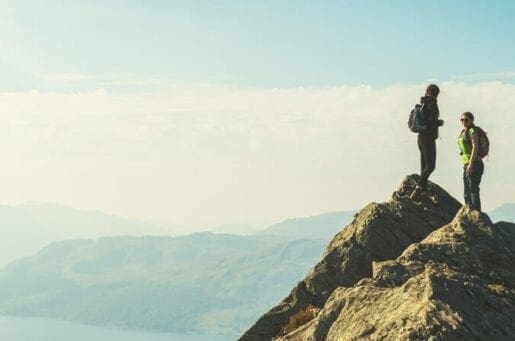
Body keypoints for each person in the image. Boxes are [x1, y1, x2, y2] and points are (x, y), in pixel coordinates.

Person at [410, 84, 444, 200]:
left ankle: (423, 191)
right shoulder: (432, 104)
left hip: (420, 137)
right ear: (436, 93)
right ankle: (419, 188)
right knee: (431, 165)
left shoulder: (423, 103)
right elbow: (431, 122)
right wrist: (440, 122)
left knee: (424, 165)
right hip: (428, 138)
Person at [458, 112, 484, 211]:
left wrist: (471, 164)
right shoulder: (462, 132)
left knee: (473, 189)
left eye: (466, 120)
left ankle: (477, 215)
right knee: (466, 191)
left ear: (471, 121)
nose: (464, 122)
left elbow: (475, 146)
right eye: (462, 120)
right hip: (466, 164)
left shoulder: (472, 131)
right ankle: (469, 214)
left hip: (475, 164)